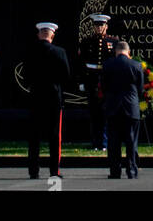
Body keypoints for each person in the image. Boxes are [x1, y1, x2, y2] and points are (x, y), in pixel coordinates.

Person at [23, 21, 70, 180]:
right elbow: (66, 76)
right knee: (54, 136)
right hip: (53, 97)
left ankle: (33, 170)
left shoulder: (30, 52)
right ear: (52, 35)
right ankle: (54, 170)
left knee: (34, 136)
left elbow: (26, 75)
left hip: (36, 96)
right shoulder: (59, 52)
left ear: (39, 34)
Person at [102, 40, 144, 180]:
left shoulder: (108, 65)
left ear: (116, 51)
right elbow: (140, 89)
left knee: (113, 142)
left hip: (113, 107)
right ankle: (131, 171)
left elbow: (104, 86)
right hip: (131, 108)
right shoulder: (136, 65)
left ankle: (115, 171)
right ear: (129, 52)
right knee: (131, 141)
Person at [77, 13, 116, 150]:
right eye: (97, 25)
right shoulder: (86, 42)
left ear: (106, 26)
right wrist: (82, 81)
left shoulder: (113, 42)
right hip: (92, 79)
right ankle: (95, 142)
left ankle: (104, 142)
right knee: (94, 112)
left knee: (106, 112)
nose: (99, 28)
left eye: (102, 25)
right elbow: (81, 63)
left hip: (106, 80)